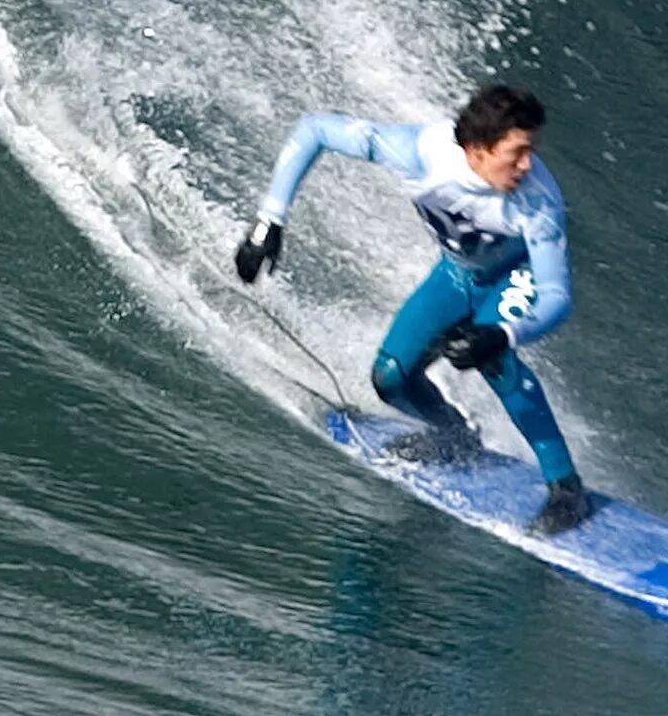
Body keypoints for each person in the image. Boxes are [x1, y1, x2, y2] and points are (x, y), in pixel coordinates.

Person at [234, 81, 592, 537]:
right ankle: (455, 435)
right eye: (517, 152)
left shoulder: (537, 201)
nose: (529, 164)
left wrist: (503, 333)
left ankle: (566, 488)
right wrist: (270, 222)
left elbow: (556, 296)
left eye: (532, 150)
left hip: (512, 276)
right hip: (456, 275)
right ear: (478, 149)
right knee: (390, 377)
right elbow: (315, 130)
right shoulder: (419, 153)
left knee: (494, 356)